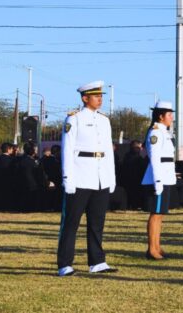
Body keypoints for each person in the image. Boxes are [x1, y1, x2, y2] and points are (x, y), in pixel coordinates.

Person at [57, 80, 117, 277]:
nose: (100, 99)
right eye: (95, 96)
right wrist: (68, 178)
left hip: (100, 177)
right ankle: (65, 264)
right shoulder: (74, 120)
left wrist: (111, 177)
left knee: (97, 222)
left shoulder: (104, 120)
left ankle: (97, 261)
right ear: (85, 98)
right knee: (71, 222)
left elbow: (108, 150)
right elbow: (67, 150)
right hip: (80, 176)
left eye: (101, 96)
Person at [141, 101, 177, 260]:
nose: (172, 118)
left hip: (166, 176)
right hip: (158, 178)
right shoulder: (155, 132)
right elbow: (155, 159)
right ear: (160, 116)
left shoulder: (164, 132)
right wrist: (158, 182)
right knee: (155, 214)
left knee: (160, 214)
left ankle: (157, 246)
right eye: (169, 115)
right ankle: (151, 249)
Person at [15, 141, 46, 212]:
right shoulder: (34, 162)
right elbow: (39, 174)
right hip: (33, 187)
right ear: (32, 150)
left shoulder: (19, 159)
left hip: (22, 186)